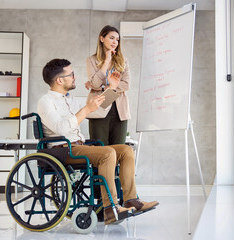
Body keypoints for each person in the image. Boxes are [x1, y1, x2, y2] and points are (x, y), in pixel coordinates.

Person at [37, 58, 158, 225]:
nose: (75, 77)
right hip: (63, 150)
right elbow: (62, 129)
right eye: (71, 74)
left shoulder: (70, 99)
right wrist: (86, 109)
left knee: (126, 150)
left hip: (78, 147)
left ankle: (130, 200)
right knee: (107, 153)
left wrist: (112, 88)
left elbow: (99, 108)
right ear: (59, 80)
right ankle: (111, 209)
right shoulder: (45, 102)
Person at [85, 25, 131, 146]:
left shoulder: (123, 61)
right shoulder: (91, 60)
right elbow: (94, 83)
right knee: (100, 150)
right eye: (111, 38)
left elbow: (126, 85)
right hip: (99, 107)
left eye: (117, 39)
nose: (115, 42)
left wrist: (104, 87)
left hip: (119, 110)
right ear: (102, 38)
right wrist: (106, 61)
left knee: (118, 150)